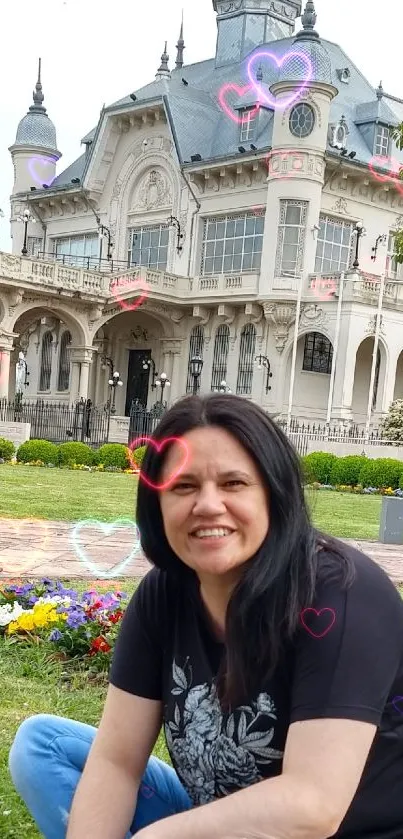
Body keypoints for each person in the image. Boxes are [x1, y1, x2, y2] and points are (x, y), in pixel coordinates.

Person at [8, 393, 403, 839]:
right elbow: (116, 762)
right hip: (219, 819)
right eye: (184, 486)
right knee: (43, 746)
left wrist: (156, 837)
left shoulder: (342, 596)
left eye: (234, 483)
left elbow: (312, 806)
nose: (208, 505)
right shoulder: (164, 595)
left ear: (274, 494)